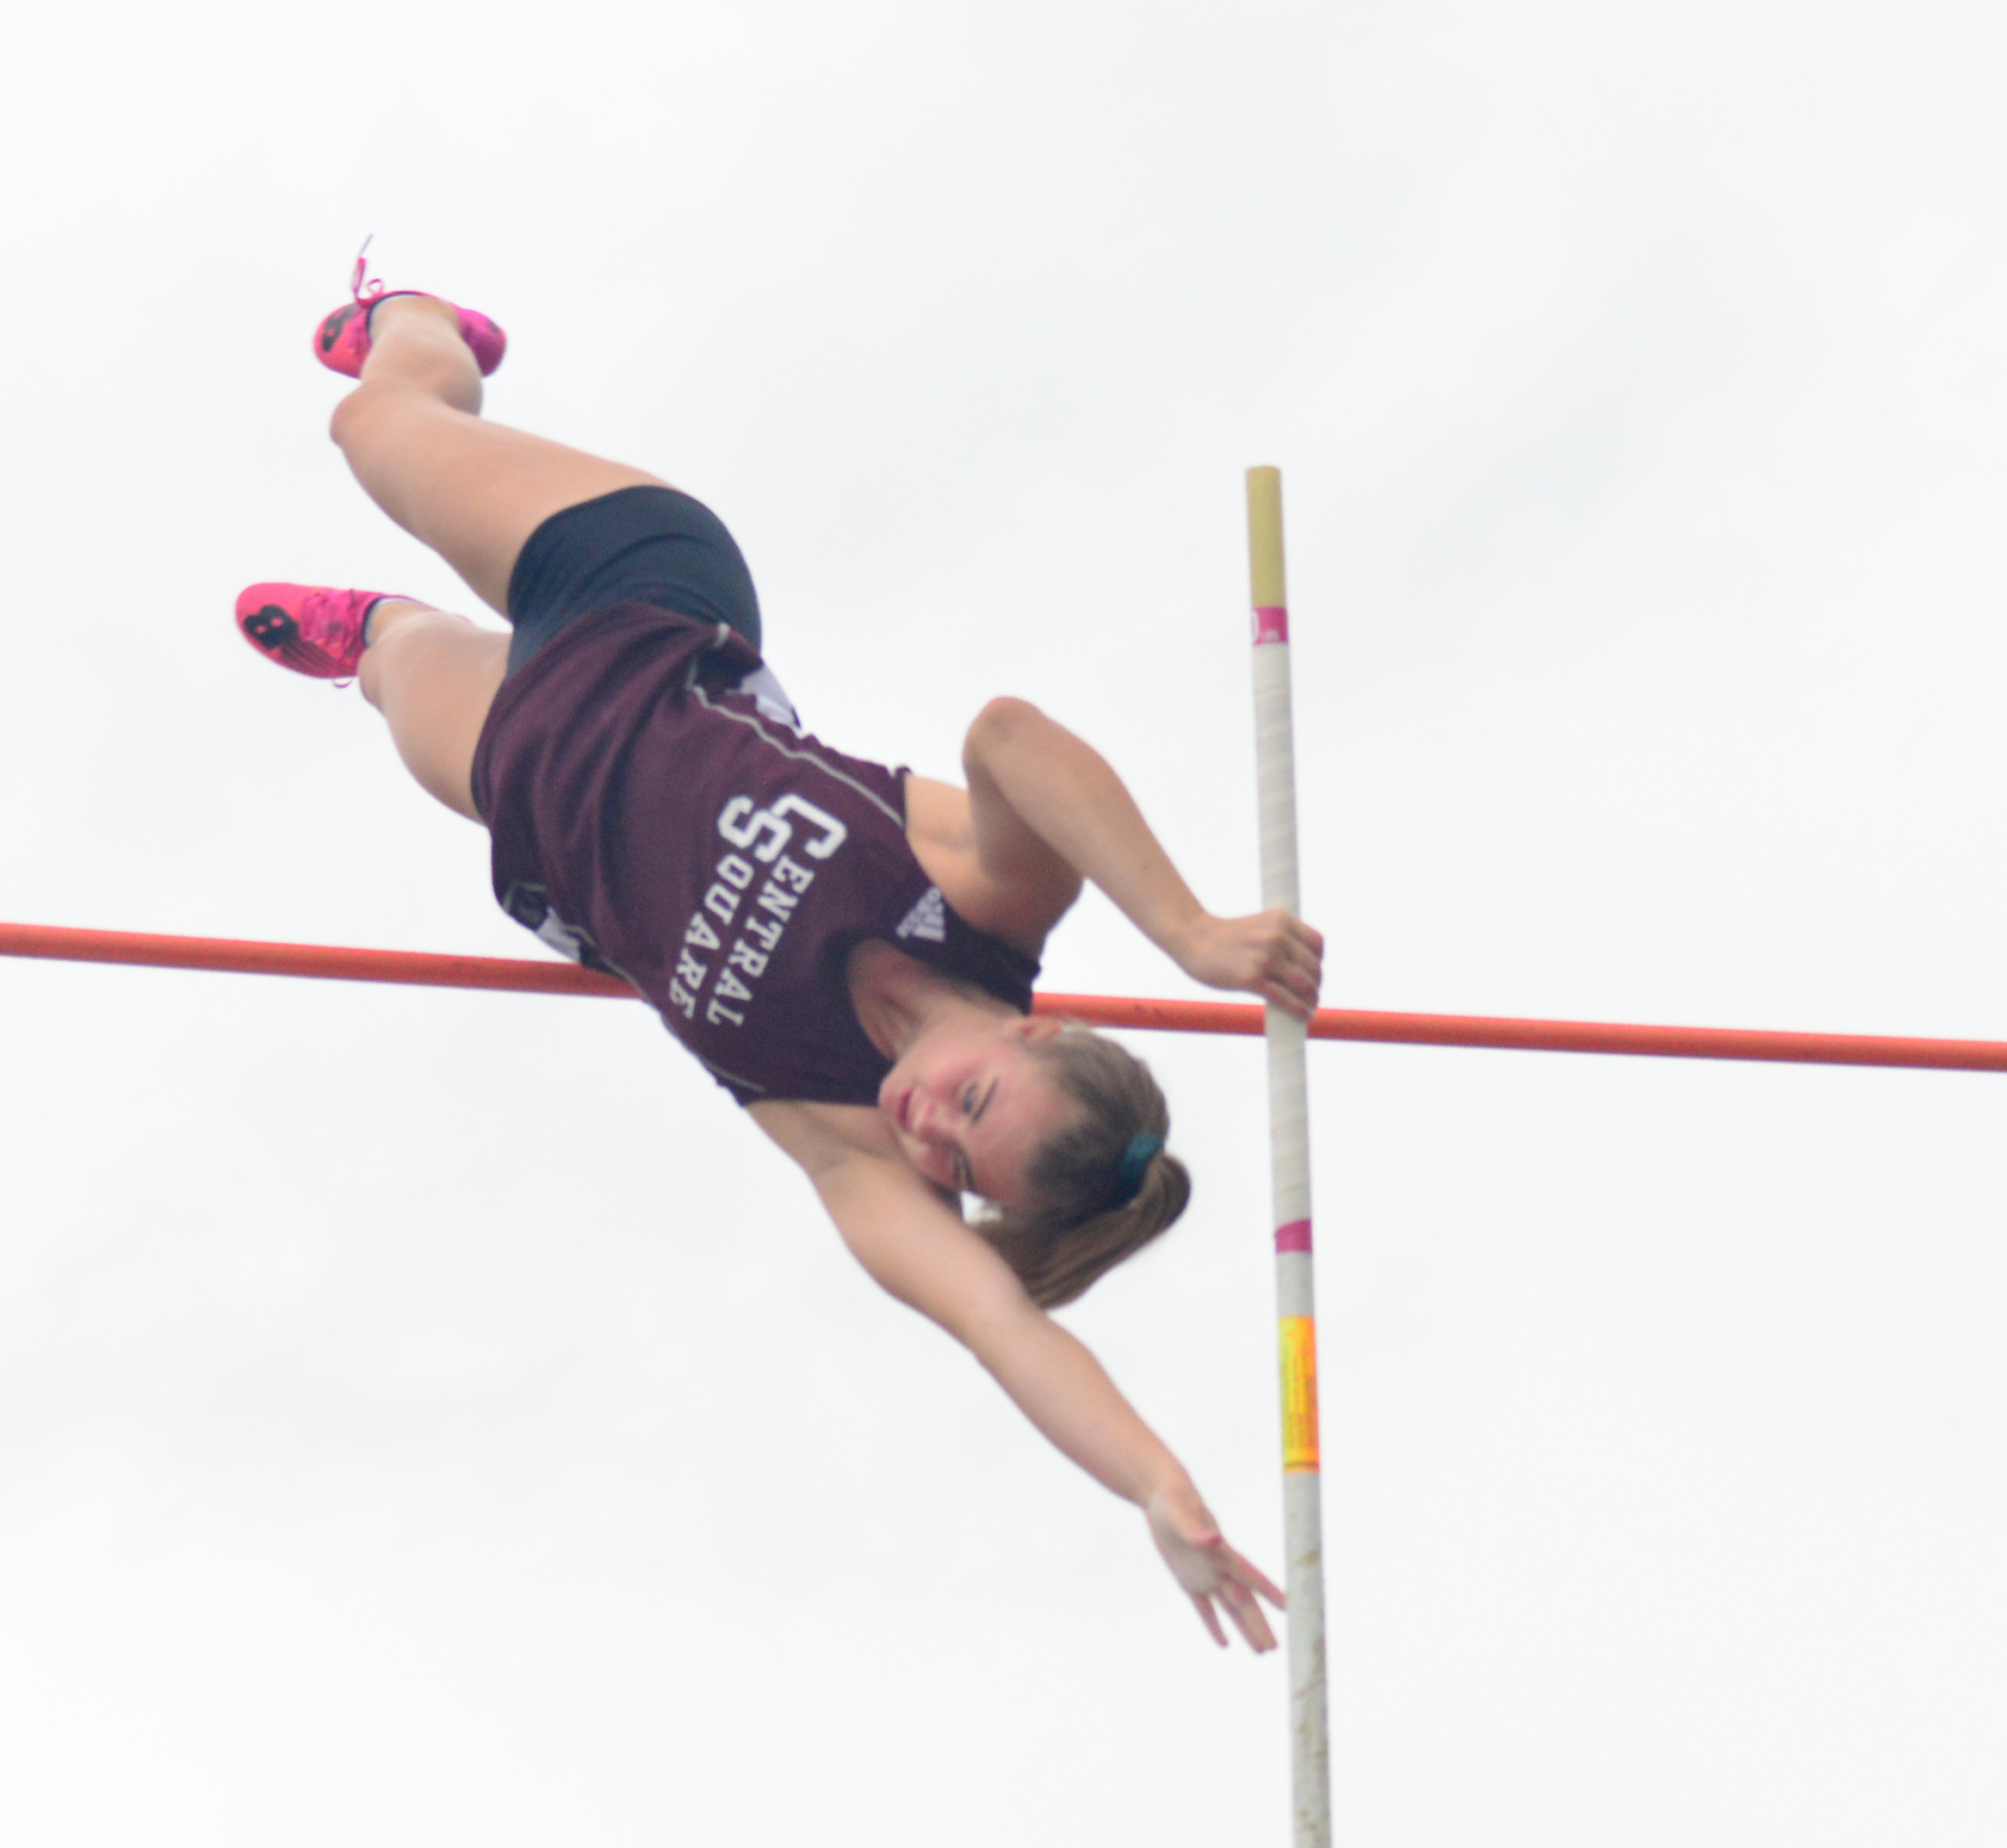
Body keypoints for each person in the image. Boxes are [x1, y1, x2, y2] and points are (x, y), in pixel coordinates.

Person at [236, 257, 1324, 1651]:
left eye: (954, 1164)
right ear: (1034, 1032)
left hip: (537, 789)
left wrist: (1158, 1488)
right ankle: (426, 326)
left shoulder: (849, 1150)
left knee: (395, 671)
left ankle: (381, 629)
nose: (926, 1128)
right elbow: (1008, 735)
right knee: (373, 435)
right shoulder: (986, 900)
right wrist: (1187, 931)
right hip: (640, 597)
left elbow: (1010, 1332)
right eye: (973, 1106)